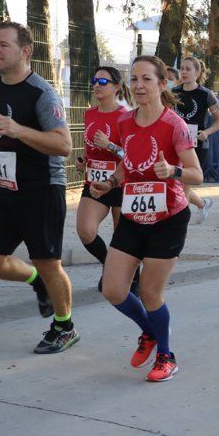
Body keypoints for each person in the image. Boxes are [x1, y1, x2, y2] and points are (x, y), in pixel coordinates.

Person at [89, 55, 203, 382]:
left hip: (168, 218)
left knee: (152, 294)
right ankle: (148, 332)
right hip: (134, 215)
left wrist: (173, 171)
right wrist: (110, 183)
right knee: (113, 289)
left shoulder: (174, 125)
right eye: (134, 79)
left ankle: (166, 356)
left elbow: (197, 173)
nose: (139, 85)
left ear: (161, 84)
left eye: (146, 79)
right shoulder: (124, 123)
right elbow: (128, 161)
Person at [0, 21, 77, 354]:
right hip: (3, 187)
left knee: (48, 262)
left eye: (3, 45)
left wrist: (19, 130)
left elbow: (64, 145)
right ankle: (38, 284)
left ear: (25, 51)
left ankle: (64, 327)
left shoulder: (42, 94)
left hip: (41, 188)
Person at [75, 66, 141, 294]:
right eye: (94, 80)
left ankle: (133, 279)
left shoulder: (127, 116)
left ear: (115, 86)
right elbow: (88, 144)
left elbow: (134, 156)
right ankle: (110, 267)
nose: (96, 85)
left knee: (123, 236)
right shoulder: (90, 113)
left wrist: (111, 146)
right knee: (85, 230)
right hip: (94, 182)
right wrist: (83, 160)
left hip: (122, 182)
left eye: (102, 82)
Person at [172, 56, 219, 223]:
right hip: (175, 143)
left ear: (197, 72)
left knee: (184, 184)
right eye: (182, 68)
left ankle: (179, 222)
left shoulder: (205, 94)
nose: (184, 72)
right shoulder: (173, 92)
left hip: (195, 145)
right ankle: (203, 203)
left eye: (188, 69)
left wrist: (207, 132)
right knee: (177, 184)